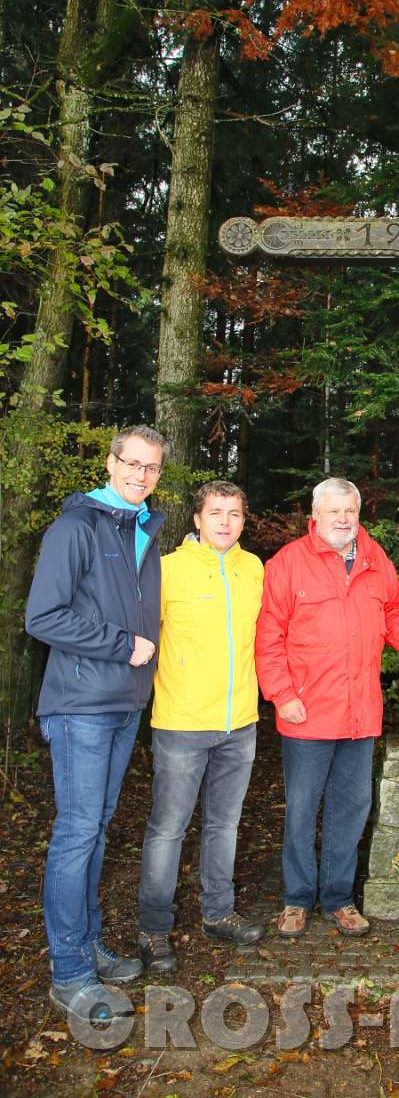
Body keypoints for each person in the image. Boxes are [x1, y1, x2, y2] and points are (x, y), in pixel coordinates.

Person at [254, 477, 399, 939]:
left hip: (360, 713)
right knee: (302, 808)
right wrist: (283, 695)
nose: (342, 519)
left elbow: (393, 616)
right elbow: (268, 637)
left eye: (349, 512)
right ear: (314, 517)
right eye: (332, 511)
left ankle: (338, 898)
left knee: (351, 807)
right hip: (306, 712)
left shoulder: (376, 560)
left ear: (358, 515)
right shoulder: (288, 564)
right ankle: (297, 898)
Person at [26, 425, 167, 1025]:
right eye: (130, 463)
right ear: (110, 464)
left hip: (123, 704)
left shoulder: (144, 531)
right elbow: (44, 616)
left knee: (98, 828)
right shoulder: (76, 527)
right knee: (79, 831)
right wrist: (120, 645)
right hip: (79, 705)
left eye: (151, 467)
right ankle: (70, 972)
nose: (139, 475)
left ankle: (87, 945)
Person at [136, 481, 266, 973]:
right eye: (216, 513)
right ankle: (152, 929)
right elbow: (142, 638)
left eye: (234, 513)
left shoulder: (253, 569)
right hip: (181, 724)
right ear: (197, 518)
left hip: (240, 723)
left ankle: (219, 912)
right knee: (168, 829)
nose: (225, 522)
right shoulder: (167, 570)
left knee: (224, 825)